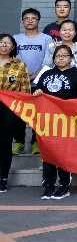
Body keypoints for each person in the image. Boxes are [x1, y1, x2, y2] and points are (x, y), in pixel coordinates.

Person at [33, 45, 77, 200]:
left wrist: (75, 106)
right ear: (54, 58)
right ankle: (48, 185)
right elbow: (36, 90)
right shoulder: (46, 73)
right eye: (58, 55)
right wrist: (37, 92)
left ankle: (64, 186)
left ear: (71, 58)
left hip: (67, 121)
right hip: (48, 121)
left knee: (63, 153)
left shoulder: (76, 74)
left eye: (65, 55)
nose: (61, 58)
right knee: (47, 152)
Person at [13, 8, 52, 154]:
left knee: (39, 113)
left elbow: (49, 60)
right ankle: (19, 141)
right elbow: (13, 59)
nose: (30, 21)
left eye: (33, 18)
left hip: (40, 82)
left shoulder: (46, 39)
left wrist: (36, 74)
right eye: (27, 18)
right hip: (20, 82)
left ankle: (36, 142)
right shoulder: (16, 39)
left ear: (38, 21)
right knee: (19, 112)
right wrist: (23, 75)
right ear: (22, 21)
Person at [0, 35, 31, 193]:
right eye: (1, 42)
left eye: (8, 43)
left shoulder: (19, 65)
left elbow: (25, 90)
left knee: (5, 142)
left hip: (9, 107)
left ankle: (3, 178)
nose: (4, 45)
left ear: (13, 47)